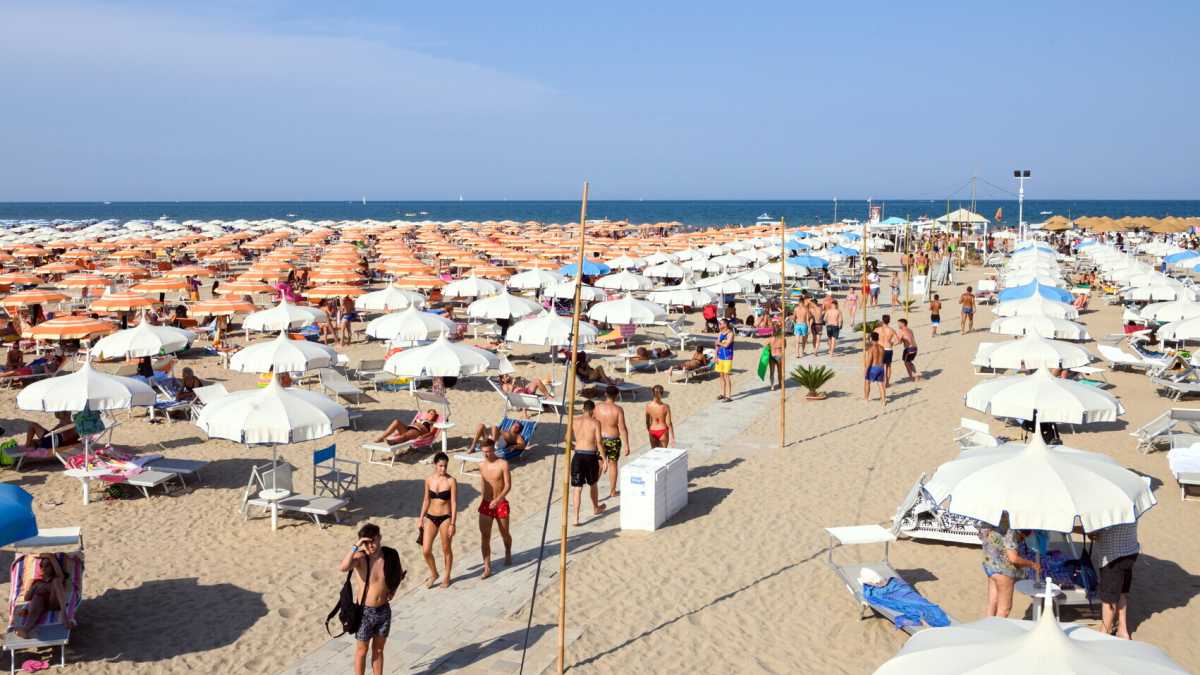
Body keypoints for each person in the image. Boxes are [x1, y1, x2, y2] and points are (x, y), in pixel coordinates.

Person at [339, 523, 404, 675]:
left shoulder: (390, 555)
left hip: (383, 610)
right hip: (364, 613)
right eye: (366, 542)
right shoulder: (360, 558)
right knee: (362, 651)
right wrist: (356, 546)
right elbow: (343, 567)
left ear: (379, 538)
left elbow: (398, 573)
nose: (370, 545)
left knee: (379, 650)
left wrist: (393, 589)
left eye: (372, 541)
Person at [978, 520, 1039, 618]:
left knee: (992, 604)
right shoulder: (1011, 531)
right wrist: (1032, 564)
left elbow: (982, 536)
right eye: (1022, 537)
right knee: (1004, 609)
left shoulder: (994, 520)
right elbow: (1013, 558)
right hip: (1004, 571)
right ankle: (997, 632)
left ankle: (988, 630)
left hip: (989, 565)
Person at [1090, 522, 1139, 639]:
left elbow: (1100, 530)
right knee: (1121, 591)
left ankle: (1105, 632)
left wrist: (1092, 533)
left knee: (1108, 599)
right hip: (1131, 551)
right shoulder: (1132, 504)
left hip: (1113, 556)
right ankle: (1123, 629)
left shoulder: (1110, 509)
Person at [418, 452, 457, 588]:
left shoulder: (451, 481)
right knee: (426, 550)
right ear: (435, 465)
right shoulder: (429, 480)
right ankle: (434, 573)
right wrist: (421, 517)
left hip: (446, 518)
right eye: (440, 466)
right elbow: (426, 500)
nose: (443, 469)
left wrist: (453, 523)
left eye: (445, 466)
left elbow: (453, 503)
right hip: (431, 517)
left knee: (446, 548)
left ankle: (447, 575)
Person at [13, 554, 72, 639]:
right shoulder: (36, 582)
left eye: (47, 565)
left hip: (54, 602)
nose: (44, 568)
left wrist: (48, 556)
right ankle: (26, 629)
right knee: (38, 597)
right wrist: (33, 587)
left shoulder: (57, 578)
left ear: (53, 567)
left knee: (56, 581)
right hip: (40, 605)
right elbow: (27, 598)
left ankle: (64, 613)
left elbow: (52, 558)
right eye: (42, 566)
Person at [477, 440, 513, 579]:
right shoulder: (481, 465)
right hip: (486, 503)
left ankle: (508, 551)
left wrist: (498, 500)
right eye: (484, 451)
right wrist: (483, 497)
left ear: (494, 449)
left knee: (505, 533)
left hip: (500, 503)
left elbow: (508, 485)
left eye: (489, 451)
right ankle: (487, 567)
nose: (487, 454)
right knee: (485, 536)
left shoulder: (503, 464)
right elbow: (483, 482)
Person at [570, 400, 606, 526]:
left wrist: (573, 446)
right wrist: (604, 458)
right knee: (593, 483)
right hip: (590, 455)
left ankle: (575, 518)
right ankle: (595, 508)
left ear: (583, 409)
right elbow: (599, 441)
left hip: (578, 454)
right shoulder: (595, 422)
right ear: (592, 410)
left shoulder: (574, 421)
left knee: (577, 488)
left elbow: (566, 438)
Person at [594, 385, 629, 499]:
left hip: (600, 439)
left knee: (599, 464)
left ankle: (593, 486)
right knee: (613, 464)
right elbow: (622, 428)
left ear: (605, 394)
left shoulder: (597, 407)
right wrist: (626, 445)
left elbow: (593, 423)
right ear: (617, 395)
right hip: (613, 440)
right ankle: (613, 491)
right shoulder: (618, 410)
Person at [864, 331, 886, 405]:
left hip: (873, 367)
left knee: (867, 382)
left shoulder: (871, 348)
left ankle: (866, 399)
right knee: (880, 384)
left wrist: (866, 370)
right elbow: (883, 359)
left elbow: (869, 360)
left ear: (871, 339)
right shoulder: (882, 347)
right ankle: (883, 401)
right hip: (881, 367)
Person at [715, 319, 734, 402]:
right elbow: (716, 345)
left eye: (721, 323)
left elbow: (726, 345)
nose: (719, 325)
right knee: (721, 375)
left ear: (725, 324)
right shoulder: (720, 333)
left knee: (727, 376)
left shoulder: (730, 333)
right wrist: (715, 356)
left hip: (727, 357)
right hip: (720, 356)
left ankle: (729, 396)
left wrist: (718, 343)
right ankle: (723, 393)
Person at [876, 314, 899, 386]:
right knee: (888, 366)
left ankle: (882, 381)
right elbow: (898, 340)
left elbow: (871, 339)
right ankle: (887, 382)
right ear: (889, 321)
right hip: (888, 348)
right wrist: (892, 343)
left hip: (880, 348)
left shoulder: (877, 329)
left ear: (882, 321)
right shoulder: (891, 330)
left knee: (881, 366)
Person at [767, 325, 785, 390]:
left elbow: (767, 348)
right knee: (779, 371)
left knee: (772, 372)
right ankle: (780, 384)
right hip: (779, 355)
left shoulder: (770, 339)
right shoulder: (782, 339)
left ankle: (772, 386)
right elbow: (784, 347)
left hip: (772, 355)